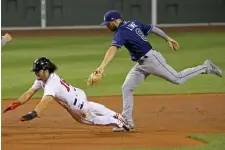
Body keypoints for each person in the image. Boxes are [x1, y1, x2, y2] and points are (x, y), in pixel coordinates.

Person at [90, 10, 223, 132]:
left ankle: (205, 67)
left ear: (115, 20)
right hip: (141, 64)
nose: (107, 26)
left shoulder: (121, 32)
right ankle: (127, 122)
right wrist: (167, 38)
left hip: (152, 60)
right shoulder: (133, 23)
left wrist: (102, 66)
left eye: (108, 24)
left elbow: (113, 49)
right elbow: (153, 29)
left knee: (178, 79)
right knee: (127, 87)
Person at [3, 57, 130, 131]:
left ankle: (118, 122)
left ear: (46, 70)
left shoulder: (52, 84)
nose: (36, 73)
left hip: (76, 106)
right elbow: (30, 92)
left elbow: (45, 101)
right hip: (79, 95)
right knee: (90, 105)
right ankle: (116, 115)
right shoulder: (44, 78)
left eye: (38, 71)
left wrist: (33, 114)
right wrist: (16, 103)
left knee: (89, 120)